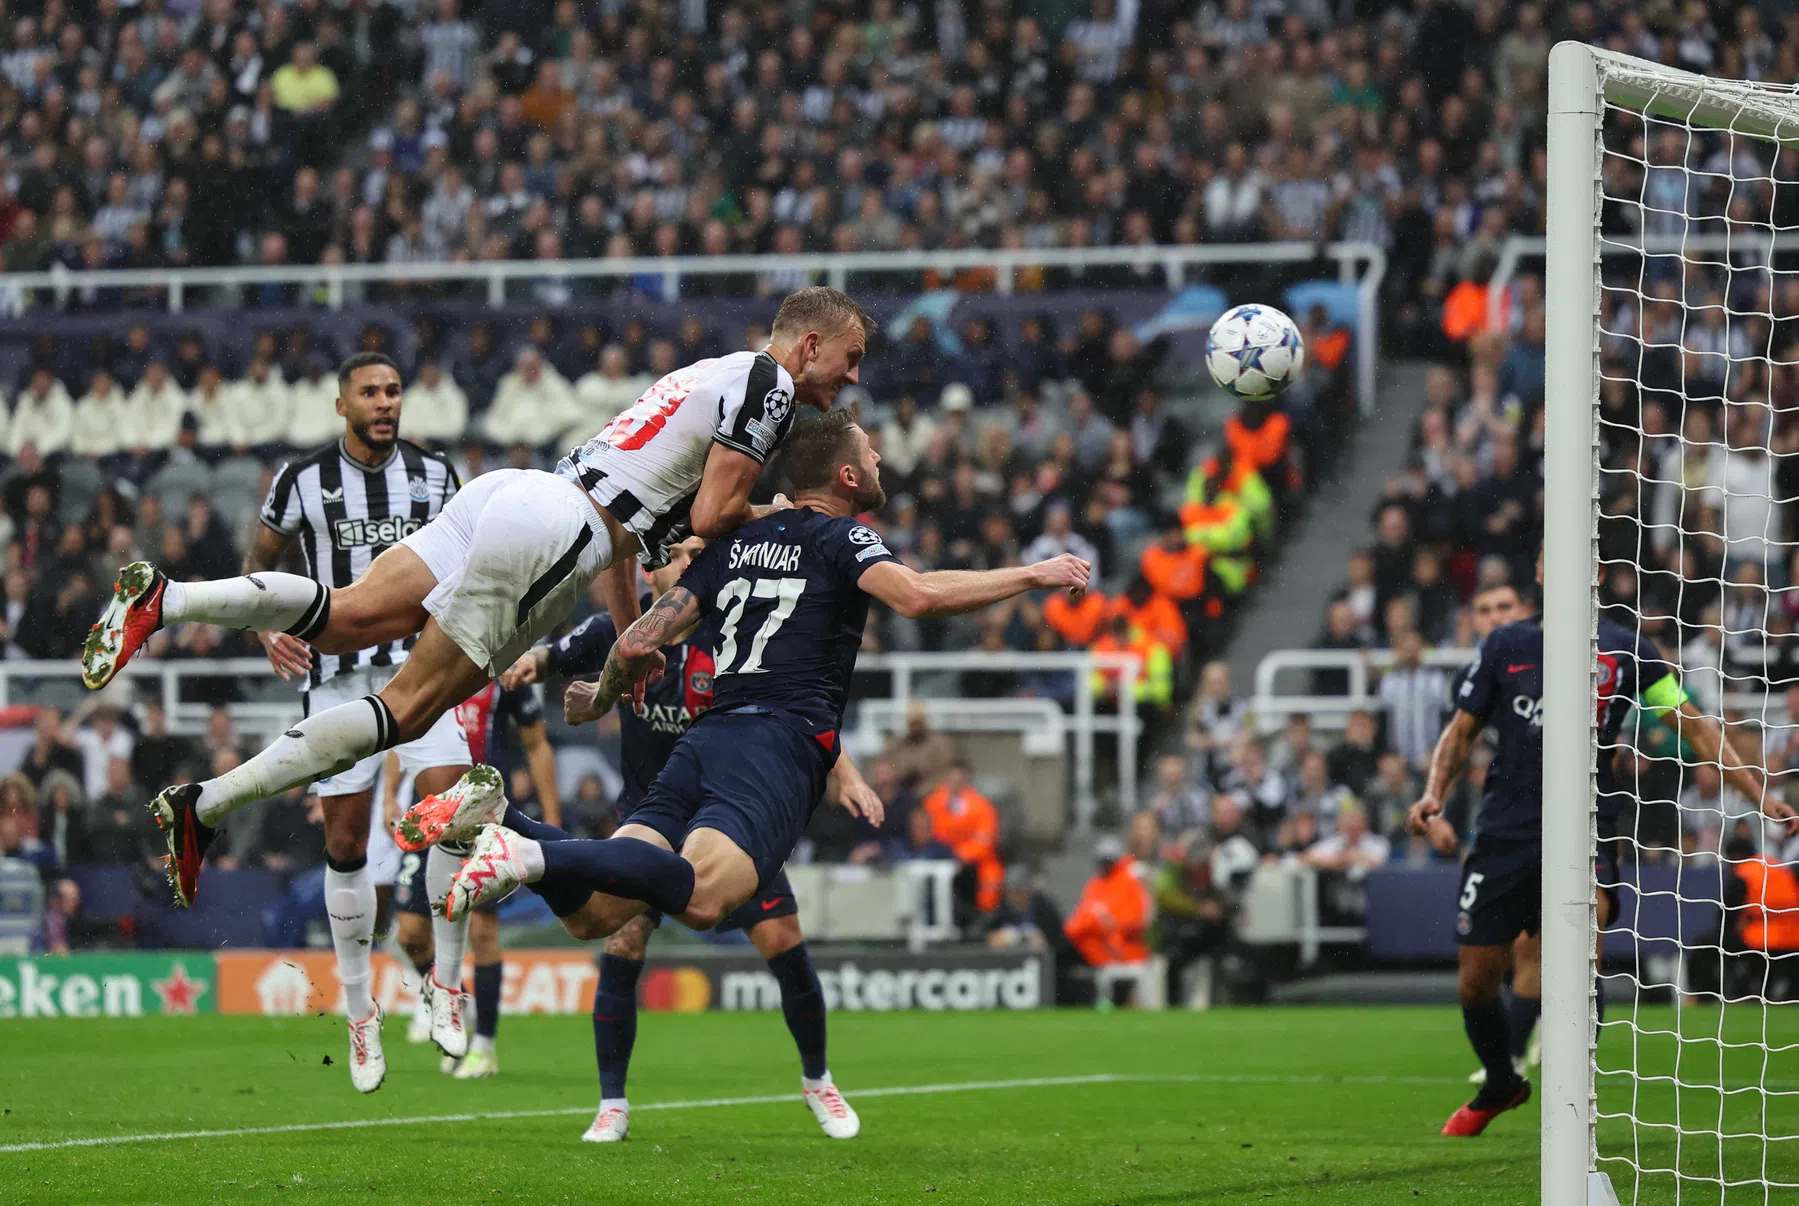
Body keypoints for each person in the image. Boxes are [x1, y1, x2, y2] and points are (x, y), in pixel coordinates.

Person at [84, 288, 870, 912]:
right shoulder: (770, 388)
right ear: (808, 344)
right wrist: (795, 513)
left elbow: (642, 530)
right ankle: (206, 805)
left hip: (519, 493)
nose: (852, 376)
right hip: (559, 533)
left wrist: (629, 651)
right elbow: (711, 518)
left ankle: (170, 598)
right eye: (849, 356)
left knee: (348, 615)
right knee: (407, 710)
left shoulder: (713, 371)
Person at [435, 408, 1088, 1125]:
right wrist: (1032, 572)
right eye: (869, 453)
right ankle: (525, 857)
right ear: (845, 476)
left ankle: (506, 820)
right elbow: (919, 595)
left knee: (596, 916)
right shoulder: (844, 536)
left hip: (704, 741)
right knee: (706, 901)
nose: (877, 461)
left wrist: (604, 697)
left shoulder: (733, 545)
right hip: (775, 746)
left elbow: (639, 638)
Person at [436, 536, 854, 1140]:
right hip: (653, 813)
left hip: (732, 811)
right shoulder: (624, 629)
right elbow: (555, 655)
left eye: (694, 553)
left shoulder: (729, 630)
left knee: (784, 942)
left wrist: (848, 773)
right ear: (651, 574)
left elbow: (791, 712)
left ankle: (818, 1080)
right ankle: (613, 1104)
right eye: (675, 555)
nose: (688, 562)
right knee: (615, 939)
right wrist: (530, 666)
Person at [1407, 553, 1793, 1137]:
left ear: (1594, 576)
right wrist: (1433, 793)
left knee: (1584, 945)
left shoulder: (1627, 648)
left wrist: (1759, 794)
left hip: (1589, 820)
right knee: (1476, 979)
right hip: (1507, 827)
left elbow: (1693, 724)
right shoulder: (1505, 645)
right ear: (1539, 574)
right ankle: (1501, 1082)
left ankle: (1576, 1100)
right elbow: (1462, 732)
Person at [217, 350, 475, 1094]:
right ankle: (362, 1016)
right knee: (342, 842)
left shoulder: (435, 475)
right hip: (334, 680)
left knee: (452, 811)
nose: (385, 402)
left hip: (420, 669)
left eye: (394, 390)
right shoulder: (301, 481)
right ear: (342, 406)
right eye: (370, 392)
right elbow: (257, 564)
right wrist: (268, 631)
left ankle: (447, 987)